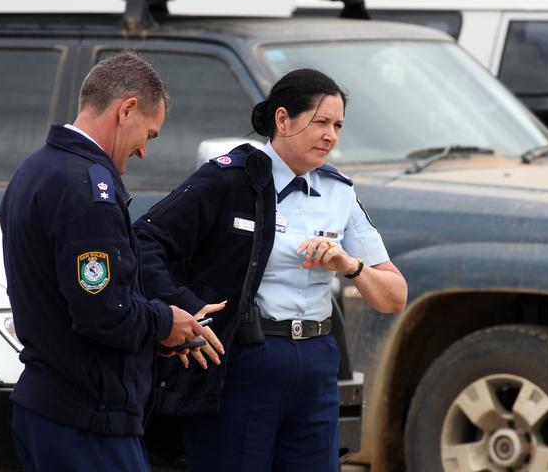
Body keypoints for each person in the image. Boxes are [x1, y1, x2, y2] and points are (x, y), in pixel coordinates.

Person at [133, 68, 407, 471]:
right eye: (320, 123)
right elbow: (145, 240)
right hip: (247, 358)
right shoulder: (229, 178)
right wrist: (185, 308)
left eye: (338, 125)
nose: (331, 135)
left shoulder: (339, 193)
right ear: (283, 120)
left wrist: (350, 266)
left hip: (316, 361)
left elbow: (394, 296)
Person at [0, 51, 224, 472]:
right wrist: (166, 322)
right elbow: (103, 312)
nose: (143, 152)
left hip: (49, 408)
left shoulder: (36, 169)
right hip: (87, 422)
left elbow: (76, 302)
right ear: (127, 110)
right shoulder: (89, 189)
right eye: (150, 135)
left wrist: (158, 336)